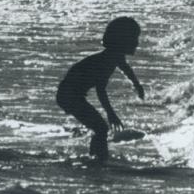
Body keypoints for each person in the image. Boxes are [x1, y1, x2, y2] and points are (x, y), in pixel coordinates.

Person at [56, 17, 145, 164]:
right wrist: (111, 114)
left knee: (99, 128)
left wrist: (137, 85)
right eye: (134, 38)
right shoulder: (106, 61)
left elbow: (125, 68)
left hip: (71, 94)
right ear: (123, 41)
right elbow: (101, 90)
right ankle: (98, 161)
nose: (137, 43)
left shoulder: (115, 55)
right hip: (68, 95)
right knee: (101, 129)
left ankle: (97, 158)